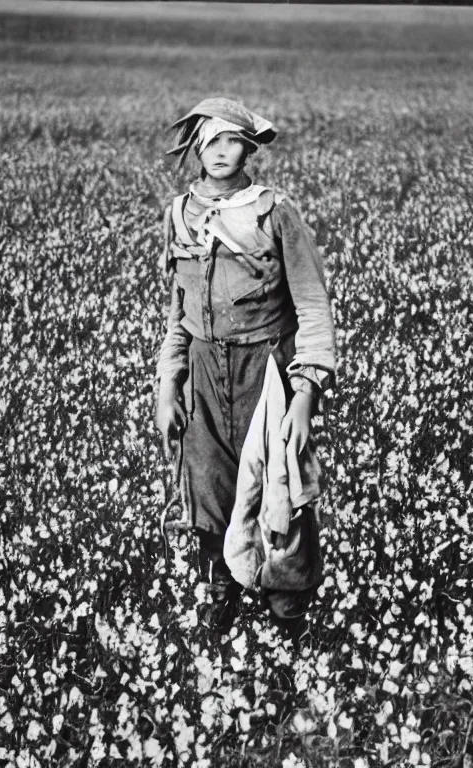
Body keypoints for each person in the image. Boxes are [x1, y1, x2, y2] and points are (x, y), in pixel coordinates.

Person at [155, 97, 336, 633]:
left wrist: (305, 392)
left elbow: (313, 306)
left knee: (279, 486)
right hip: (204, 375)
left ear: (249, 147)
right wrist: (169, 387)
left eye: (232, 141)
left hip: (267, 368)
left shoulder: (274, 210)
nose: (221, 152)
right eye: (210, 141)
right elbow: (178, 314)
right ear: (195, 147)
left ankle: (287, 614)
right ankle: (220, 596)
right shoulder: (180, 213)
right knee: (209, 488)